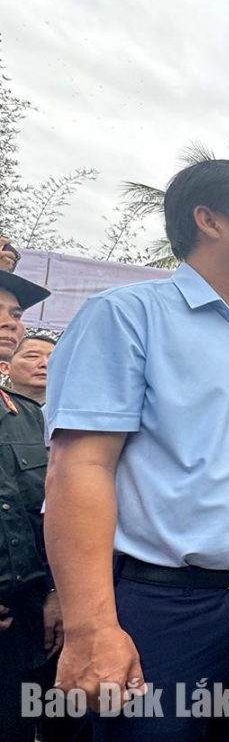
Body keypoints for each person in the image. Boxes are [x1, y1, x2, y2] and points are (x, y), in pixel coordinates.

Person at [44, 159, 229, 741]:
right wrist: (92, 625)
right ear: (208, 220)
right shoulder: (126, 318)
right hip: (168, 607)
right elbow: (80, 467)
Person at [0, 269, 63, 742]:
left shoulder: (29, 419)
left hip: (23, 615)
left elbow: (45, 517)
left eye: (15, 314)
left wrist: (54, 594)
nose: (9, 323)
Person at [2, 335, 55, 406]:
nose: (45, 364)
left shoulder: (71, 410)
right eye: (33, 356)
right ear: (5, 367)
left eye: (53, 358)